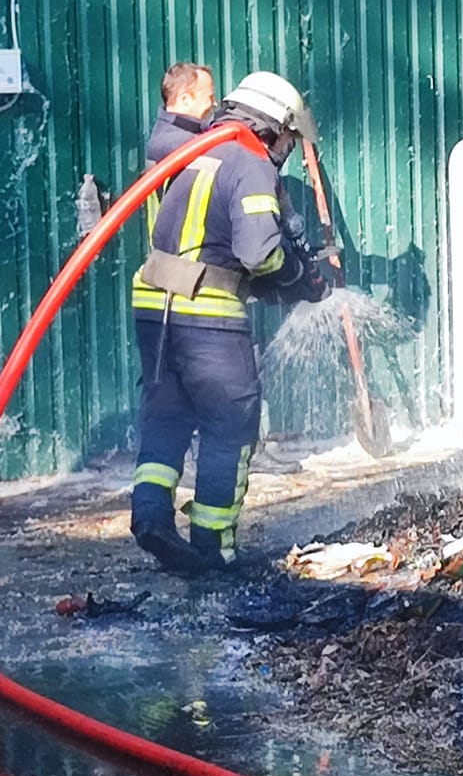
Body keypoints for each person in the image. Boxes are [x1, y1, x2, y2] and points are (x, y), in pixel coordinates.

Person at [129, 71, 327, 572]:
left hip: (155, 307)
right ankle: (212, 549)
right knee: (229, 427)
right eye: (288, 136)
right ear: (271, 125)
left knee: (167, 415)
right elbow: (259, 253)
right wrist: (299, 273)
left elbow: (208, 238)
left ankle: (150, 516)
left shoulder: (192, 149)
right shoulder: (251, 161)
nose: (286, 147)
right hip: (207, 316)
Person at [147, 61, 215, 165]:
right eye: (209, 97)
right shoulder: (174, 143)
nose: (214, 103)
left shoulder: (170, 134)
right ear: (185, 99)